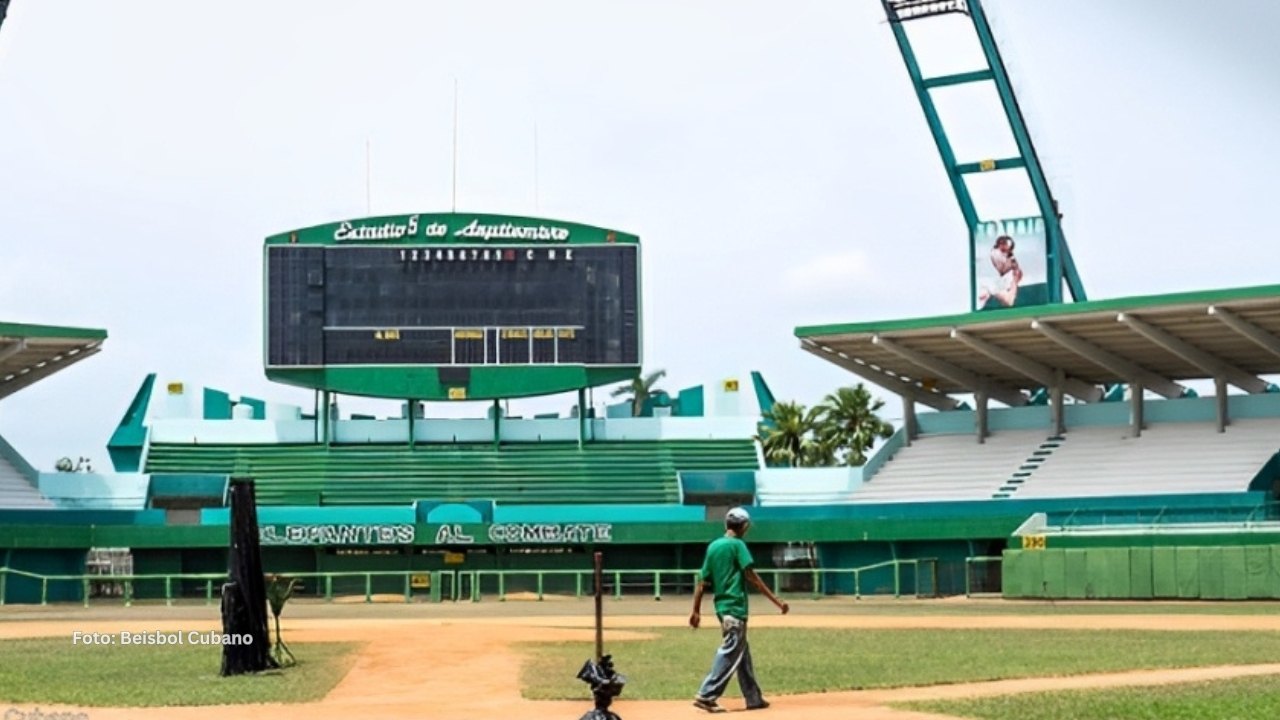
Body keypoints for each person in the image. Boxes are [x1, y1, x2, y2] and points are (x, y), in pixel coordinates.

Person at [690, 507, 789, 713]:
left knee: (741, 652)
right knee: (730, 650)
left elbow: (702, 581)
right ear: (744, 526)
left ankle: (753, 698)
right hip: (735, 607)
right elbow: (751, 576)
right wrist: (777, 601)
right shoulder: (737, 545)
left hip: (721, 608)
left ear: (726, 524)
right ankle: (706, 695)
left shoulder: (714, 546)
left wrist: (696, 610)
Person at [976, 234, 1023, 308]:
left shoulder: (993, 281)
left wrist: (1014, 281)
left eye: (1009, 254)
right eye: (1002, 250)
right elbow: (1009, 301)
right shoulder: (987, 277)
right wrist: (1014, 281)